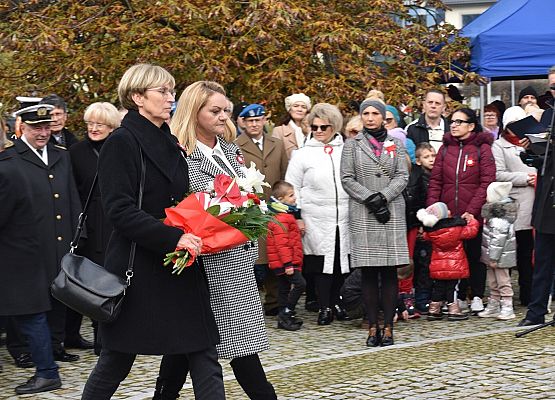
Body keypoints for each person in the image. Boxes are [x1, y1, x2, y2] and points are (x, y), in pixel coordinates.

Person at [81, 65, 223, 400]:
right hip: (139, 266)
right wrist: (173, 237)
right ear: (137, 97)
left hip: (179, 265)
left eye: (172, 91)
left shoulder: (169, 140)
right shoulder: (122, 142)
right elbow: (119, 211)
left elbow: (178, 200)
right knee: (117, 358)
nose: (170, 98)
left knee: (202, 349)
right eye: (162, 91)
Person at [155, 81, 276, 400]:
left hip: (238, 260)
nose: (224, 117)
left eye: (227, 111)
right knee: (239, 347)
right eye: (215, 110)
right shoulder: (180, 153)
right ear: (194, 111)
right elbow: (184, 205)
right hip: (208, 265)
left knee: (189, 345)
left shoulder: (230, 149)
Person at [7, 104, 82, 363]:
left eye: (46, 127)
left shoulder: (61, 154)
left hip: (60, 238)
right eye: (36, 128)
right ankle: (22, 349)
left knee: (58, 292)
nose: (42, 133)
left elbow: (71, 195)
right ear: (23, 128)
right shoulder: (11, 158)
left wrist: (77, 234)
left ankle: (55, 345)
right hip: (28, 242)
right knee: (25, 297)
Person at [0, 117, 62, 395]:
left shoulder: (6, 169)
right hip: (19, 254)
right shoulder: (12, 163)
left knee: (31, 317)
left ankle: (47, 373)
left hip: (15, 258)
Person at [341, 98, 409, 347]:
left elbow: (403, 175)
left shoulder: (396, 143)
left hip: (390, 210)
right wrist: (371, 198)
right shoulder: (352, 145)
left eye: (375, 113)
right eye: (366, 113)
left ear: (383, 117)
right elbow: (347, 178)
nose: (370, 118)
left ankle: (388, 327)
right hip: (364, 211)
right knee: (368, 272)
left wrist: (384, 196)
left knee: (390, 272)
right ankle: (372, 327)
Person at [286, 103, 351, 326]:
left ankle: (337, 302)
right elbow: (292, 188)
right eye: (315, 127)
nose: (320, 130)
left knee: (342, 263)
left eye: (325, 126)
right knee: (322, 264)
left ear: (334, 126)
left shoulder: (347, 150)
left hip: (344, 216)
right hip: (315, 217)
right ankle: (324, 306)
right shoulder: (302, 155)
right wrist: (297, 216)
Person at [426, 107, 496, 315]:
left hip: (472, 213)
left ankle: (476, 295)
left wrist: (472, 211)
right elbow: (435, 181)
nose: (454, 125)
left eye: (459, 121)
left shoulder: (482, 148)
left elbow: (487, 182)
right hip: (448, 214)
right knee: (452, 256)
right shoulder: (445, 149)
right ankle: (455, 297)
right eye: (452, 122)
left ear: (471, 126)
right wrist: (434, 210)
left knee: (474, 255)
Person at [69, 102, 122, 354]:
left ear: (111, 126)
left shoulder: (121, 148)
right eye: (90, 123)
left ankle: (107, 339)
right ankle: (91, 337)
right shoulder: (76, 152)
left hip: (116, 223)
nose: (94, 128)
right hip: (90, 226)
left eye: (100, 124)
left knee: (114, 279)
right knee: (92, 283)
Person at [236, 103, 289, 317]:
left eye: (258, 120)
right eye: (250, 121)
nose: (255, 124)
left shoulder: (277, 143)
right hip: (252, 208)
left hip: (275, 206)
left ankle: (274, 301)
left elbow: (285, 174)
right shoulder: (236, 145)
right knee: (255, 256)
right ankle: (249, 303)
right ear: (243, 123)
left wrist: (285, 202)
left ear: (264, 121)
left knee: (275, 253)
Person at [492, 106, 537, 306]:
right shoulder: (499, 146)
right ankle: (507, 294)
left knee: (529, 252)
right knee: (510, 251)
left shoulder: (532, 142)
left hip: (535, 201)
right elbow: (498, 173)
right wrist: (525, 178)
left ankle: (529, 294)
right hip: (514, 203)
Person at [417, 203, 479, 321]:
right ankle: (453, 310)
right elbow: (472, 231)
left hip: (437, 266)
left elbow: (424, 236)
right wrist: (472, 220)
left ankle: (434, 310)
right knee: (453, 288)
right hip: (455, 266)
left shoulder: (432, 232)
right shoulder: (457, 229)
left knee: (438, 288)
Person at [267, 181, 306, 331]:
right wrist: (288, 264)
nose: (295, 198)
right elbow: (281, 244)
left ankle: (283, 318)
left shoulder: (285, 215)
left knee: (283, 288)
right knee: (300, 284)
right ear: (281, 199)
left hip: (284, 262)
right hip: (286, 262)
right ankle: (287, 311)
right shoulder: (282, 218)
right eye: (291, 195)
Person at [478, 182, 517, 320]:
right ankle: (494, 304)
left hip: (500, 257)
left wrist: (493, 258)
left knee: (503, 281)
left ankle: (507, 306)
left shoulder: (499, 219)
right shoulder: (491, 216)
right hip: (491, 255)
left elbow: (498, 240)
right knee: (493, 282)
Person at [405, 142, 436, 313]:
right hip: (421, 225)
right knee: (420, 263)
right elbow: (417, 204)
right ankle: (420, 297)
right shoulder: (417, 179)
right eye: (426, 157)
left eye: (433, 156)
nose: (431, 160)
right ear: (417, 161)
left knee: (429, 263)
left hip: (434, 225)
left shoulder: (438, 176)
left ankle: (429, 296)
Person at [272, 93, 312, 159]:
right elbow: (275, 158)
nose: (299, 109)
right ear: (289, 110)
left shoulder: (314, 130)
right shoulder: (279, 131)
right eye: (296, 106)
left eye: (303, 107)